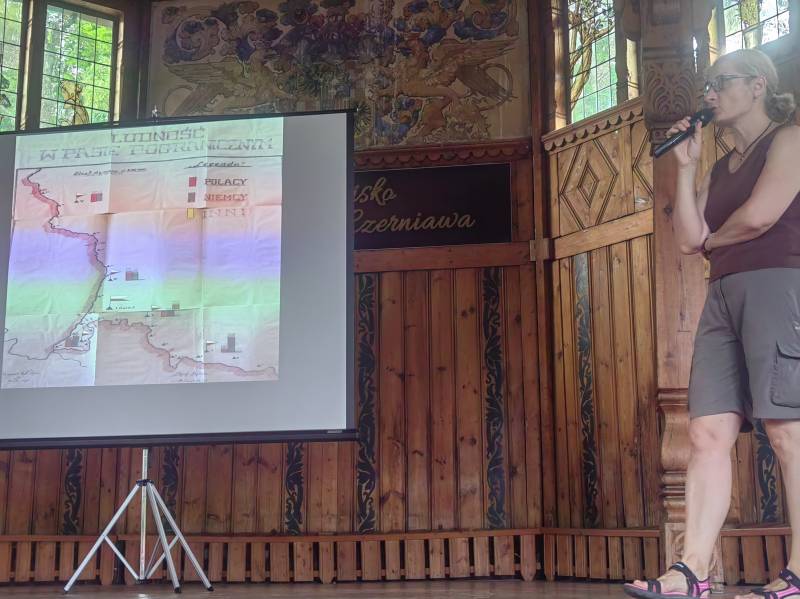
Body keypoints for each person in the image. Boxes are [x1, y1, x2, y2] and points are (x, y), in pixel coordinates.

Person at [623, 48, 800, 599]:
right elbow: (685, 238)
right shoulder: (721, 167)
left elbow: (761, 216)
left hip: (778, 284)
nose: (710, 93)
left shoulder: (790, 140)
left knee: (787, 430)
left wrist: (712, 242)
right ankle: (691, 571)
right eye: (707, 85)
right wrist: (686, 166)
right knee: (705, 432)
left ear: (757, 85)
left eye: (721, 82)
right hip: (722, 294)